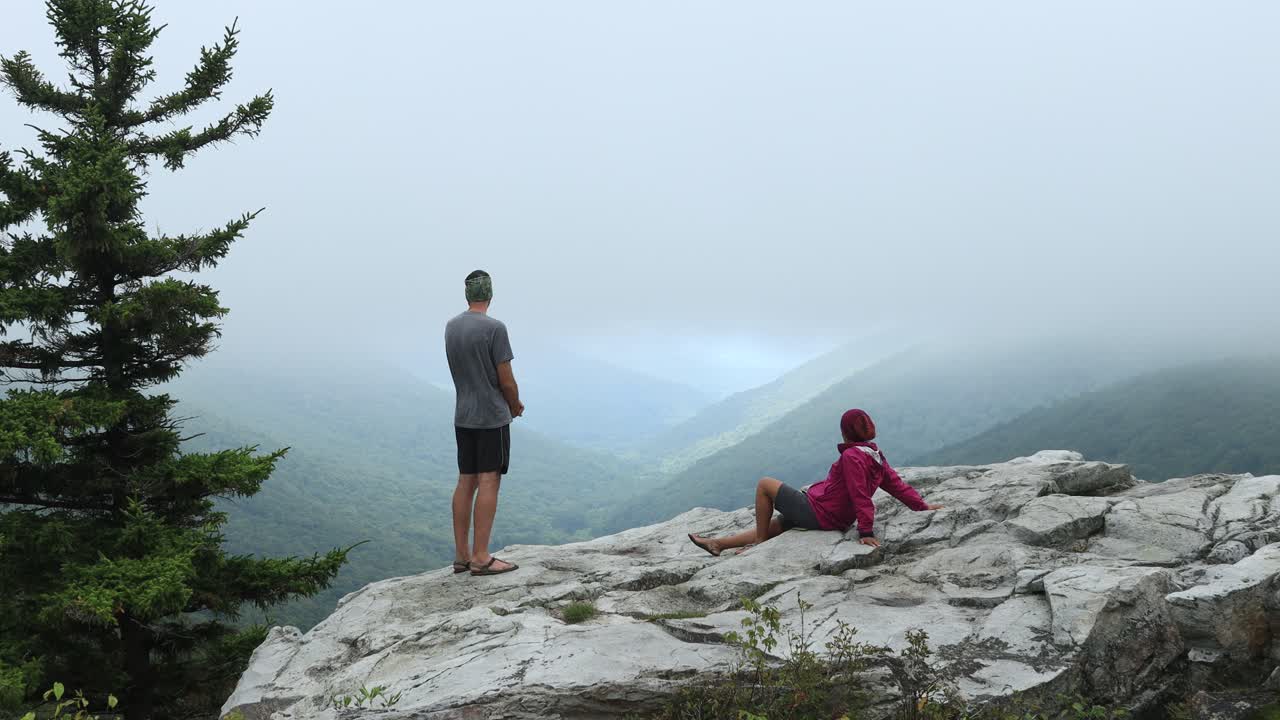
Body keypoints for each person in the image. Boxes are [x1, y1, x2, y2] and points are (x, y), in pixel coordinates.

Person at [688, 408, 942, 556]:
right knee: (779, 523)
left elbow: (859, 494)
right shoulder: (873, 454)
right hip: (828, 511)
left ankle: (759, 544)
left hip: (822, 513)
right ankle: (717, 544)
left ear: (846, 432)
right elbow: (895, 484)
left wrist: (866, 531)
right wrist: (921, 506)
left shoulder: (853, 456)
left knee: (765, 484)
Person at [445, 270, 524, 576]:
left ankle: (462, 555)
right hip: (491, 417)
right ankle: (481, 556)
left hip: (463, 415)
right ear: (490, 294)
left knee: (466, 480)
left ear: (467, 294)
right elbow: (506, 380)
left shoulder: (452, 327)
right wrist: (514, 405)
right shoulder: (494, 328)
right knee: (489, 480)